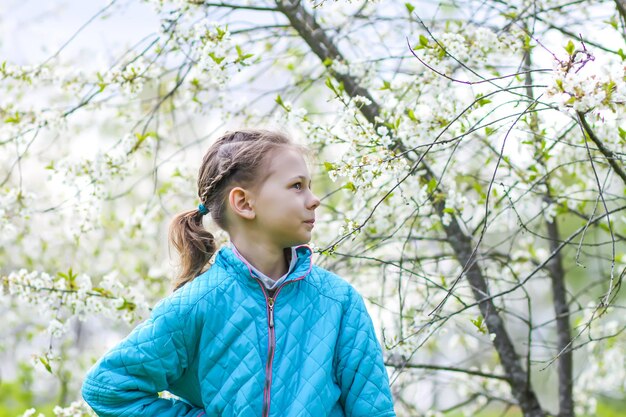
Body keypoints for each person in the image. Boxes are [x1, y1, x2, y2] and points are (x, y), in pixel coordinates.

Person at [81, 129, 396, 417]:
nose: (314, 200)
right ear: (244, 202)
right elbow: (108, 388)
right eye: (297, 186)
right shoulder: (196, 303)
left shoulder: (339, 303)